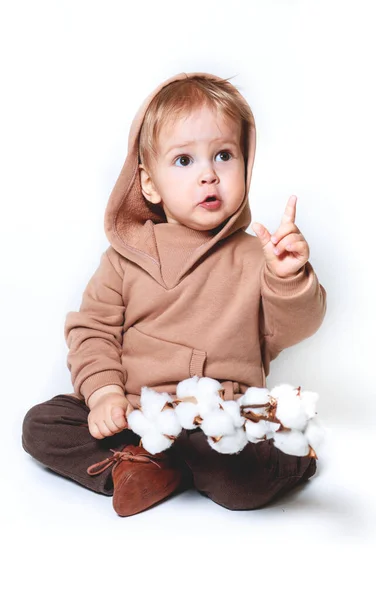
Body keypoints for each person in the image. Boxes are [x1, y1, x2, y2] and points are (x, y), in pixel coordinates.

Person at [22, 71, 327, 517]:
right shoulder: (126, 257)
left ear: (246, 164)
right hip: (138, 415)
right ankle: (141, 463)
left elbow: (293, 326)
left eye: (224, 155)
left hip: (221, 421)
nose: (208, 175)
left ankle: (258, 460)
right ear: (148, 183)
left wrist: (288, 277)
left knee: (239, 481)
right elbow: (93, 332)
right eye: (185, 161)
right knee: (42, 425)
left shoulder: (255, 256)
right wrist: (105, 393)